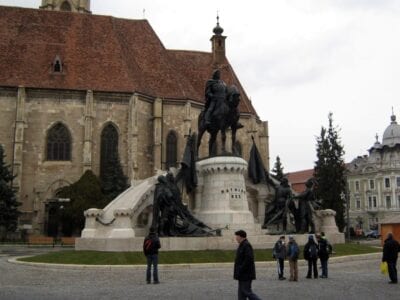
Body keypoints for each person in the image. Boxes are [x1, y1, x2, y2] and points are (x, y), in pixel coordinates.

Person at [233, 230, 261, 300]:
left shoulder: (246, 245)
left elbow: (249, 259)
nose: (236, 238)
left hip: (246, 274)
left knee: (247, 292)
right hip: (242, 274)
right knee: (241, 295)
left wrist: (241, 268)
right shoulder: (242, 245)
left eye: (237, 236)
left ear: (240, 236)